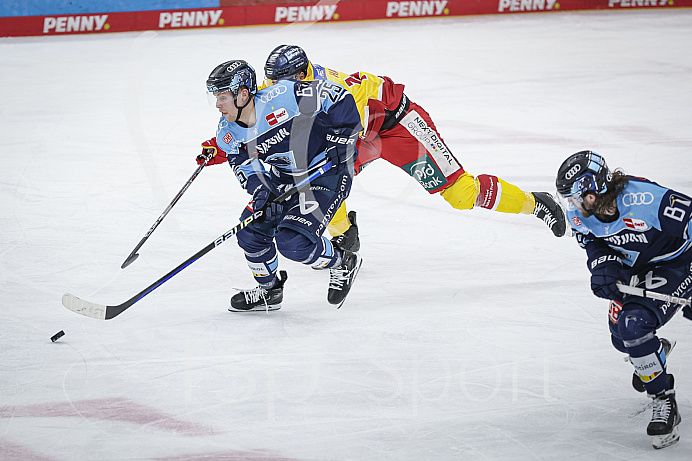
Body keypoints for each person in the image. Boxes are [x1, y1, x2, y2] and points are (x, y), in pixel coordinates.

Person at [257, 45, 567, 249]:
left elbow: (350, 129)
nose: (274, 90)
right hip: (361, 134)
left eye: (279, 83)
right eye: (270, 83)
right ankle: (345, 235)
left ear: (300, 76)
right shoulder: (282, 86)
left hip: (399, 127)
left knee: (460, 195)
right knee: (323, 177)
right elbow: (247, 116)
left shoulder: (336, 90)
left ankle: (536, 203)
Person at [199, 59, 363, 312]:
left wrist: (342, 137)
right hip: (283, 177)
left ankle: (342, 262)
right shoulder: (228, 132)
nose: (218, 105)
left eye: (222, 96)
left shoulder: (285, 94)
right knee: (250, 232)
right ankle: (270, 291)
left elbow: (338, 96)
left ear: (243, 93)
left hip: (325, 173)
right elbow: (244, 165)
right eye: (215, 97)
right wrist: (262, 190)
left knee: (294, 242)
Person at [556, 150, 692, 449]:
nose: (574, 205)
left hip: (677, 263)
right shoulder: (580, 213)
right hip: (638, 270)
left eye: (578, 197)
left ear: (596, 189)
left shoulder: (645, 199)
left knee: (633, 326)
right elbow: (591, 241)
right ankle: (654, 352)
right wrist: (603, 265)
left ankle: (663, 400)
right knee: (623, 340)